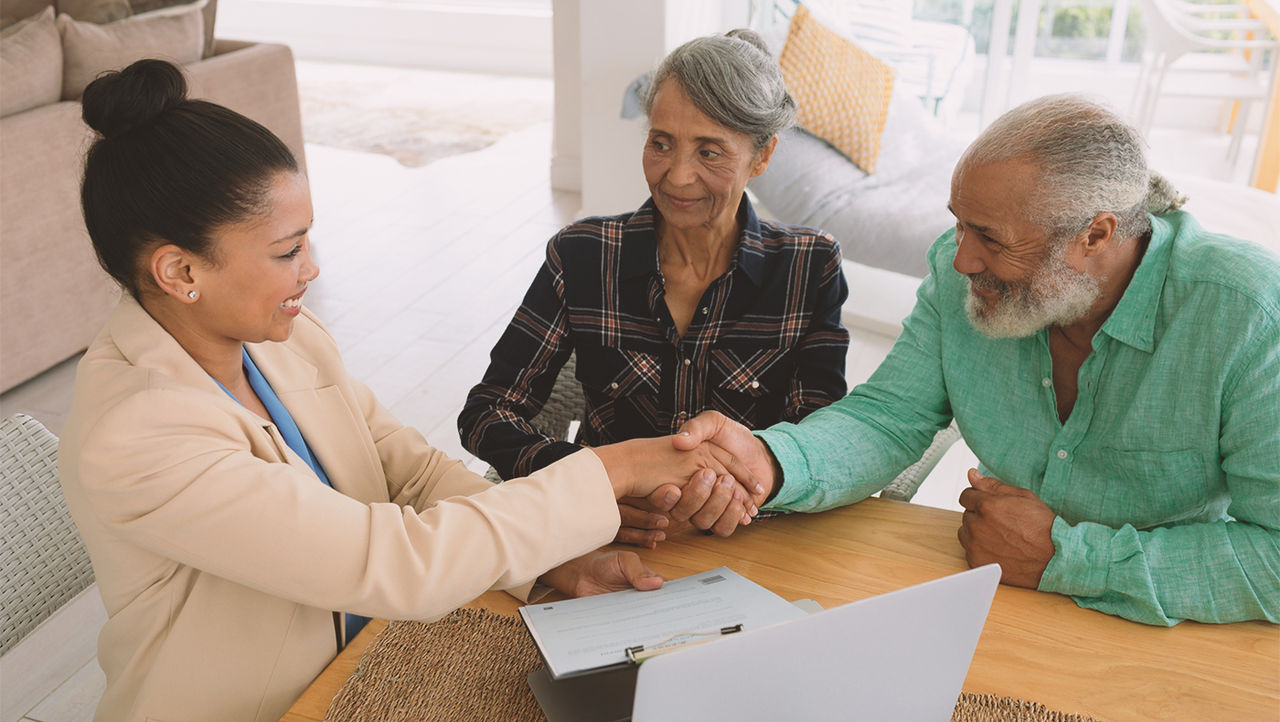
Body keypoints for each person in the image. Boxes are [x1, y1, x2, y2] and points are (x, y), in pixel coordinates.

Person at [58, 60, 759, 722]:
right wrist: (615, 469)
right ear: (181, 271)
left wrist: (557, 563)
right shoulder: (140, 430)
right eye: (286, 251)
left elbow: (412, 474)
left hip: (365, 666)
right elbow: (395, 563)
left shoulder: (280, 338)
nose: (313, 268)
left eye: (308, 240)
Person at [672, 94, 1280, 626]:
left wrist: (1065, 558)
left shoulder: (1247, 314)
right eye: (959, 225)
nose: (961, 260)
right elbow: (888, 417)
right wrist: (772, 460)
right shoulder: (953, 268)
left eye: (990, 237)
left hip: (1170, 634)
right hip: (995, 609)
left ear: (1096, 235)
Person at [458, 30, 850, 546]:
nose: (677, 176)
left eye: (710, 152)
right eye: (660, 143)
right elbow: (487, 413)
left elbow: (815, 443)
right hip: (603, 536)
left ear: (762, 157)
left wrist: (732, 492)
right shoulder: (582, 254)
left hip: (751, 545)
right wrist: (596, 477)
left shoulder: (809, 266)